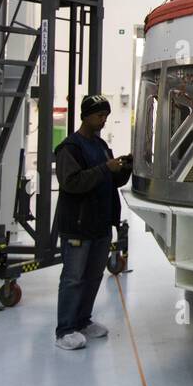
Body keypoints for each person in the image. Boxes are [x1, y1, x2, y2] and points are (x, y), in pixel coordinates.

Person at [54, 94, 131, 351]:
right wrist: (104, 169)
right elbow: (72, 182)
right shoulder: (70, 148)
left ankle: (83, 321)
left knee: (93, 276)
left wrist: (124, 168)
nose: (104, 120)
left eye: (106, 116)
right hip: (78, 226)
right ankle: (65, 329)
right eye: (100, 116)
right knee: (73, 278)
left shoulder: (100, 146)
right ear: (86, 116)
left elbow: (109, 181)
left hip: (100, 225)